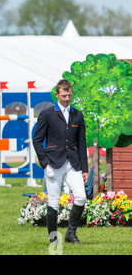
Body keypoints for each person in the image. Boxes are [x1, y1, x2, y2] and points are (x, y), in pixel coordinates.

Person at [32, 79, 88, 245]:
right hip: (53, 163)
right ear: (56, 94)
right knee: (53, 202)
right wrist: (45, 163)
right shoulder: (47, 114)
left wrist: (85, 169)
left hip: (73, 163)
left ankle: (71, 234)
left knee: (81, 197)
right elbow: (37, 140)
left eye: (69, 95)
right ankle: (53, 239)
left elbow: (82, 143)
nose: (67, 99)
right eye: (64, 95)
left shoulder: (78, 114)